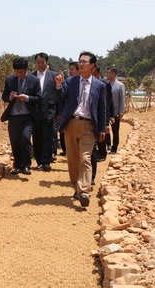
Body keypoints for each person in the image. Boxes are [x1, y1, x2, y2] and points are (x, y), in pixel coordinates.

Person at [56, 52, 107, 207]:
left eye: (85, 61)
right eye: (80, 61)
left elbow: (102, 108)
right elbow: (60, 98)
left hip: (88, 126)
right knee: (73, 159)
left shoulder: (100, 85)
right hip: (71, 124)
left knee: (85, 158)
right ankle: (76, 187)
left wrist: (103, 126)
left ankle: (84, 191)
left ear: (92, 65)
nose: (81, 64)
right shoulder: (71, 82)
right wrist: (58, 85)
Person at [0, 57, 41, 176]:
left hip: (28, 116)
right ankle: (18, 165)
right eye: (17, 72)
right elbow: (4, 96)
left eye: (21, 72)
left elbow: (39, 98)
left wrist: (27, 98)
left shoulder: (34, 80)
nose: (19, 74)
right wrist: (10, 97)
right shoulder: (10, 80)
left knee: (25, 137)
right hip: (14, 117)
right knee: (15, 141)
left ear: (26, 69)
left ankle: (26, 165)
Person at [31, 53, 58, 171]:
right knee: (37, 137)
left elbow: (58, 94)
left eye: (43, 62)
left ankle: (46, 161)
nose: (40, 64)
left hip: (49, 110)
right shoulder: (30, 76)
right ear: (35, 63)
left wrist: (58, 111)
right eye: (38, 62)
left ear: (46, 63)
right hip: (35, 111)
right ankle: (39, 161)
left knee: (48, 136)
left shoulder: (54, 75)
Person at [58, 61, 80, 156]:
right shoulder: (67, 82)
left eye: (72, 69)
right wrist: (60, 85)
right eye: (69, 69)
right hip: (68, 117)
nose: (70, 71)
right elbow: (60, 98)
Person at [107, 66, 126, 154]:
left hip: (115, 111)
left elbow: (122, 99)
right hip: (106, 112)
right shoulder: (105, 84)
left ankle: (114, 147)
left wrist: (121, 111)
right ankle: (108, 145)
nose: (107, 74)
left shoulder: (120, 85)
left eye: (109, 73)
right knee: (106, 130)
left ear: (114, 74)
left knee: (115, 131)